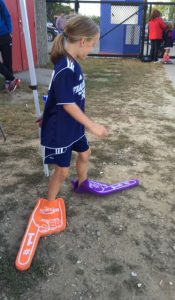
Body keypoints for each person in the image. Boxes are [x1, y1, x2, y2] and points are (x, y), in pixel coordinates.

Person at [40, 15, 108, 201]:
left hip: (73, 126)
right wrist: (92, 125)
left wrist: (47, 111)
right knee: (62, 171)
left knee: (85, 153)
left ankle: (82, 184)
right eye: (92, 44)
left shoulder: (72, 63)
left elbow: (56, 94)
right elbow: (67, 103)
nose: (92, 48)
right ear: (83, 41)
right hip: (60, 130)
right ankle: (50, 204)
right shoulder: (65, 67)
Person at [0, 0, 20, 92]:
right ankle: (12, 78)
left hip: (4, 35)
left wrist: (10, 31)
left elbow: (7, 15)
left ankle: (9, 85)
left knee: (8, 60)